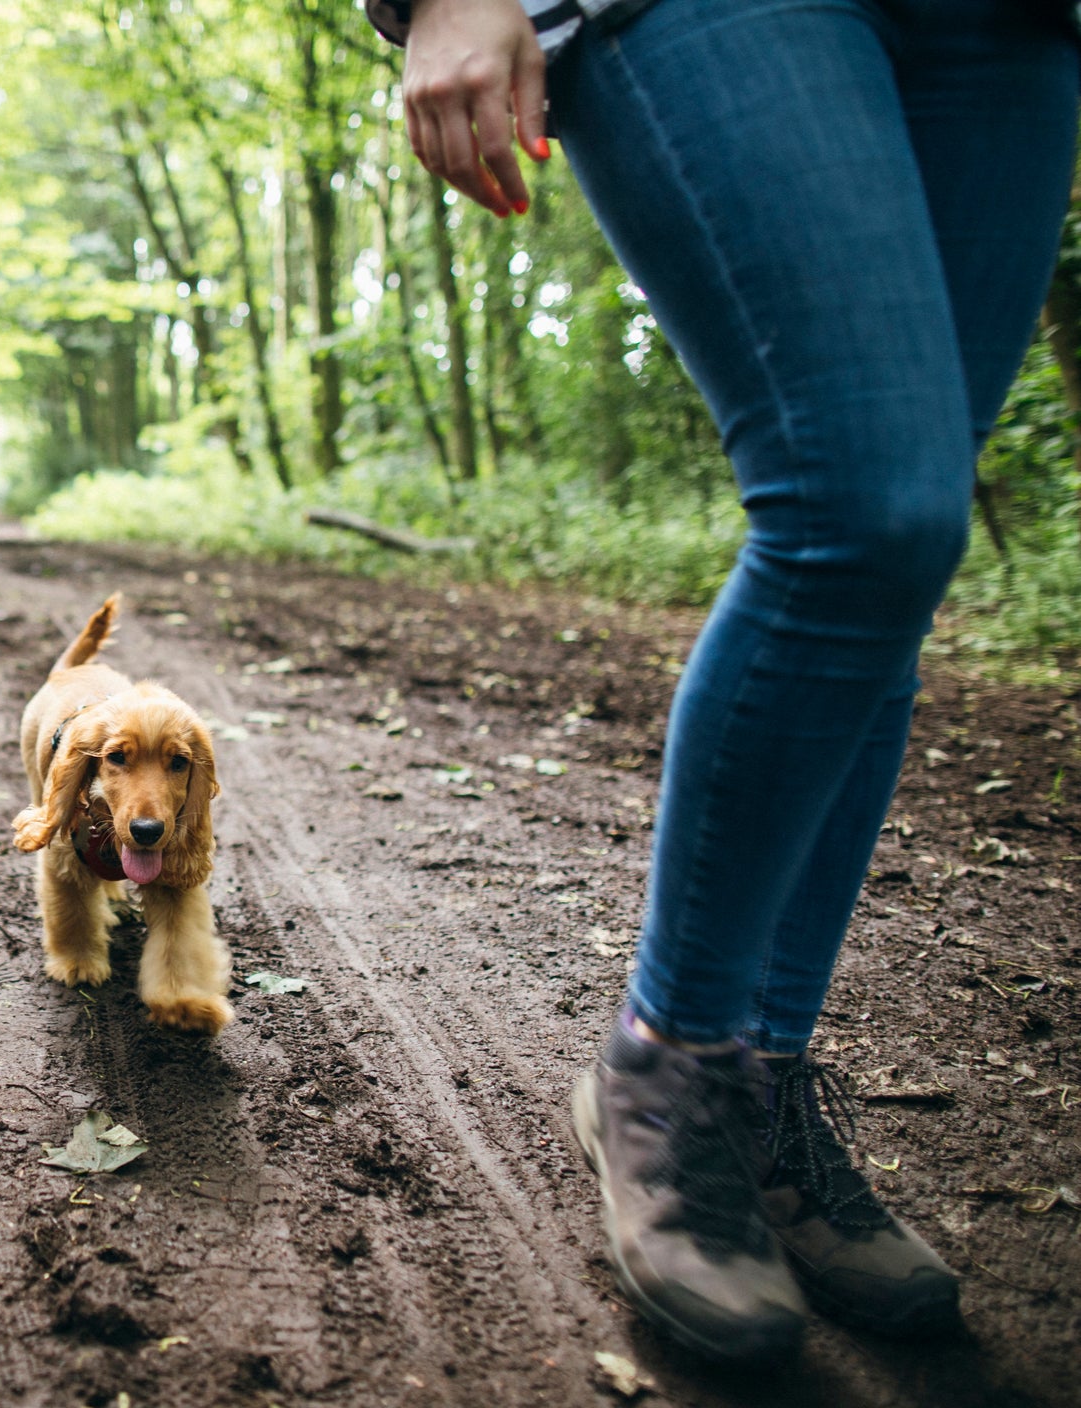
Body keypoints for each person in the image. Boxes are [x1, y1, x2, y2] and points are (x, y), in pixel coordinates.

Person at [367, 0, 1079, 1361]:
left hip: (1009, 23)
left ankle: (755, 1079)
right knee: (864, 512)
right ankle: (670, 1061)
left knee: (893, 567)